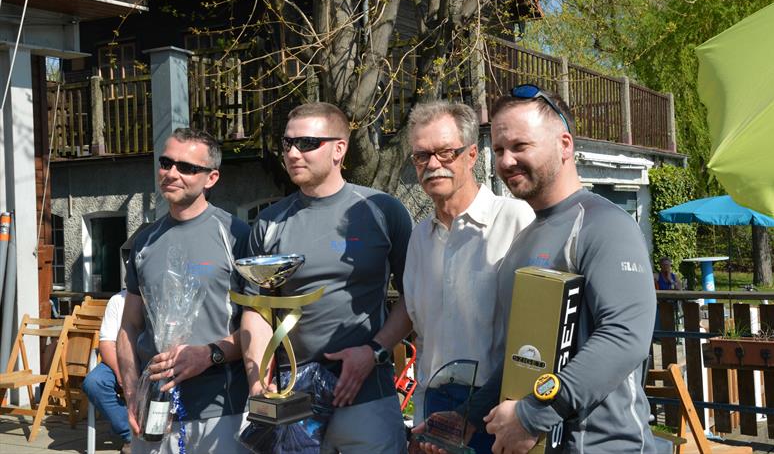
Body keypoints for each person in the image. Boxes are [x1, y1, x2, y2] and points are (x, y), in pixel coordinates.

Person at [416, 84, 656, 453]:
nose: (506, 160)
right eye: (498, 150)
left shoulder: (604, 225)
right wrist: (468, 417)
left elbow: (624, 338)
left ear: (564, 144)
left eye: (519, 146)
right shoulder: (526, 239)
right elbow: (521, 355)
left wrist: (533, 414)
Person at [242, 102, 413, 454]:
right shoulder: (269, 222)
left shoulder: (383, 211)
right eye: (287, 143)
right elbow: (258, 311)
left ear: (339, 149)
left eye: (306, 143)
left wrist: (375, 352)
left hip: (366, 395)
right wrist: (258, 385)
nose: (292, 153)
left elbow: (415, 298)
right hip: (294, 399)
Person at [401, 101, 534, 450]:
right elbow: (422, 335)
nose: (433, 165)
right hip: (435, 405)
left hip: (497, 407)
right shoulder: (419, 238)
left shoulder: (517, 221)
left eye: (446, 153)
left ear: (472, 154)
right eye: (422, 156)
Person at [117, 127, 251, 454]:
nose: (171, 173)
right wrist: (133, 390)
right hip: (154, 412)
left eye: (187, 167)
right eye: (166, 163)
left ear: (211, 178)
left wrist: (210, 354)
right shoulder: (144, 240)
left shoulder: (237, 235)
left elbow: (259, 324)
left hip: (221, 409)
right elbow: (129, 325)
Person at [82, 290, 131, 453]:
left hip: (150, 361)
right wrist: (121, 372)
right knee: (94, 383)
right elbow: (106, 344)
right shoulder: (118, 300)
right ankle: (130, 434)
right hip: (118, 360)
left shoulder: (164, 296)